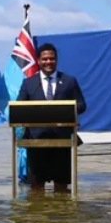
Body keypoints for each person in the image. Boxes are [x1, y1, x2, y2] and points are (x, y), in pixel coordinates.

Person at [16, 43, 86, 191]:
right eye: (45, 59)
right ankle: (39, 213)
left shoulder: (69, 81)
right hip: (36, 141)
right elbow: (19, 106)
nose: (49, 62)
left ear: (56, 60)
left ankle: (61, 213)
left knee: (61, 186)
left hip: (62, 140)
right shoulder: (28, 83)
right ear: (39, 60)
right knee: (36, 187)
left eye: (52, 59)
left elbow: (81, 105)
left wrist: (65, 110)